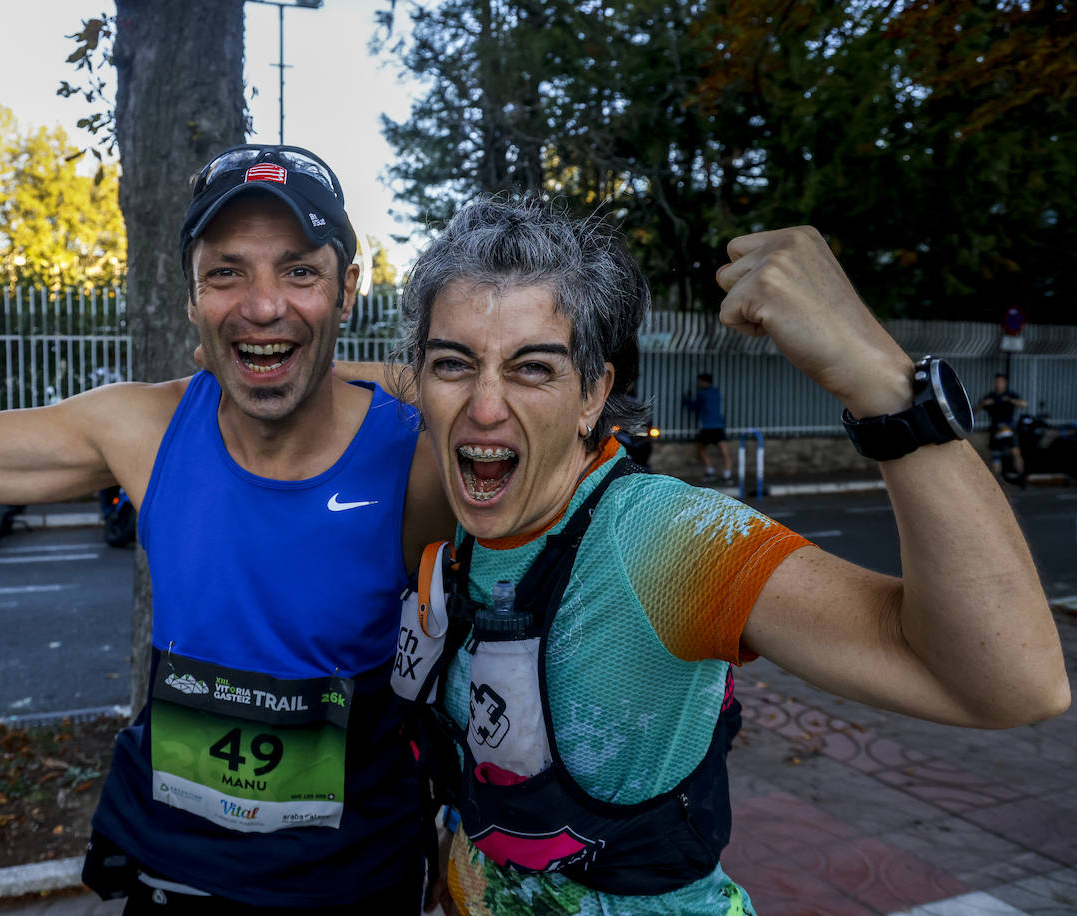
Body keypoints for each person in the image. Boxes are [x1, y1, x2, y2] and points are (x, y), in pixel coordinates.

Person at [0, 146, 454, 914]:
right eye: (226, 272)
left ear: (347, 292)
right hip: (170, 867)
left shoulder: (416, 452)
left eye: (300, 271)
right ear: (192, 301)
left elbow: (501, 394)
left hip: (350, 879)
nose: (263, 304)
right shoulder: (145, 429)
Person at [388, 197, 1067, 916]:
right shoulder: (464, 516)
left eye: (532, 369)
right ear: (423, 382)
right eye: (454, 364)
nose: (484, 406)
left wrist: (878, 379)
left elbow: (1014, 684)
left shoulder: (659, 537)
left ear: (593, 394)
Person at [976, 372, 1028, 477]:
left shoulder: (1010, 394)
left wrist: (1011, 400)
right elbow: (975, 410)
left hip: (1008, 426)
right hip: (995, 427)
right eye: (996, 382)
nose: (998, 384)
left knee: (1015, 452)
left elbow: (1024, 404)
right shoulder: (991, 396)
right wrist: (983, 403)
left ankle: (1021, 476)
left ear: (1005, 383)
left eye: (1000, 382)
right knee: (995, 455)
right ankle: (997, 481)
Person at [682, 372, 732, 481]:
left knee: (701, 450)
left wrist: (685, 400)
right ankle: (727, 474)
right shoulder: (717, 392)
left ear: (704, 382)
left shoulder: (703, 395)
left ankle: (710, 471)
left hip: (708, 426)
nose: (698, 383)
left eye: (699, 381)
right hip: (719, 425)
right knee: (724, 451)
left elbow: (695, 407)